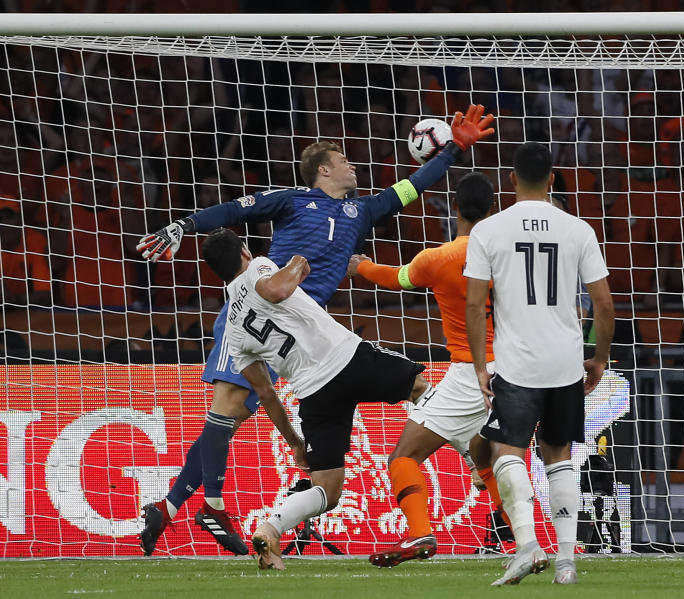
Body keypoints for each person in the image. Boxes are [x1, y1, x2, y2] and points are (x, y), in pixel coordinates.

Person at [134, 104, 495, 556]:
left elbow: (412, 187)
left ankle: (170, 507)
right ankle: (208, 503)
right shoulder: (292, 199)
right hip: (257, 312)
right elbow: (233, 210)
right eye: (343, 159)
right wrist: (186, 224)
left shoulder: (362, 211)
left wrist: (454, 151)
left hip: (305, 336)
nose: (353, 163)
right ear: (323, 169)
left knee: (232, 418)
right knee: (225, 411)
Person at [199, 228, 431, 570]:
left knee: (327, 490)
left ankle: (271, 527)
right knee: (420, 387)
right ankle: (474, 461)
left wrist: (294, 441)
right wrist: (296, 263)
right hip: (347, 359)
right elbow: (277, 290)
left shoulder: (233, 332)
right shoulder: (259, 267)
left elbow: (266, 393)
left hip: (314, 393)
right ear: (245, 253)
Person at [464, 142, 615, 586]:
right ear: (552, 179)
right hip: (566, 363)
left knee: (506, 451)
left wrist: (478, 365)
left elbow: (476, 305)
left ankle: (528, 545)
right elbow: (604, 306)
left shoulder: (488, 230)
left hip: (517, 364)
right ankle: (567, 561)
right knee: (559, 455)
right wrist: (599, 358)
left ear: (511, 180)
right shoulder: (578, 229)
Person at [347, 172, 504, 567]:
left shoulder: (438, 259)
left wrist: (361, 267)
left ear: (454, 207)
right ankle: (526, 540)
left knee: (403, 456)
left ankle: (420, 535)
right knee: (485, 458)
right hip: (518, 370)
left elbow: (395, 278)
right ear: (493, 208)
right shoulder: (509, 254)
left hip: (473, 373)